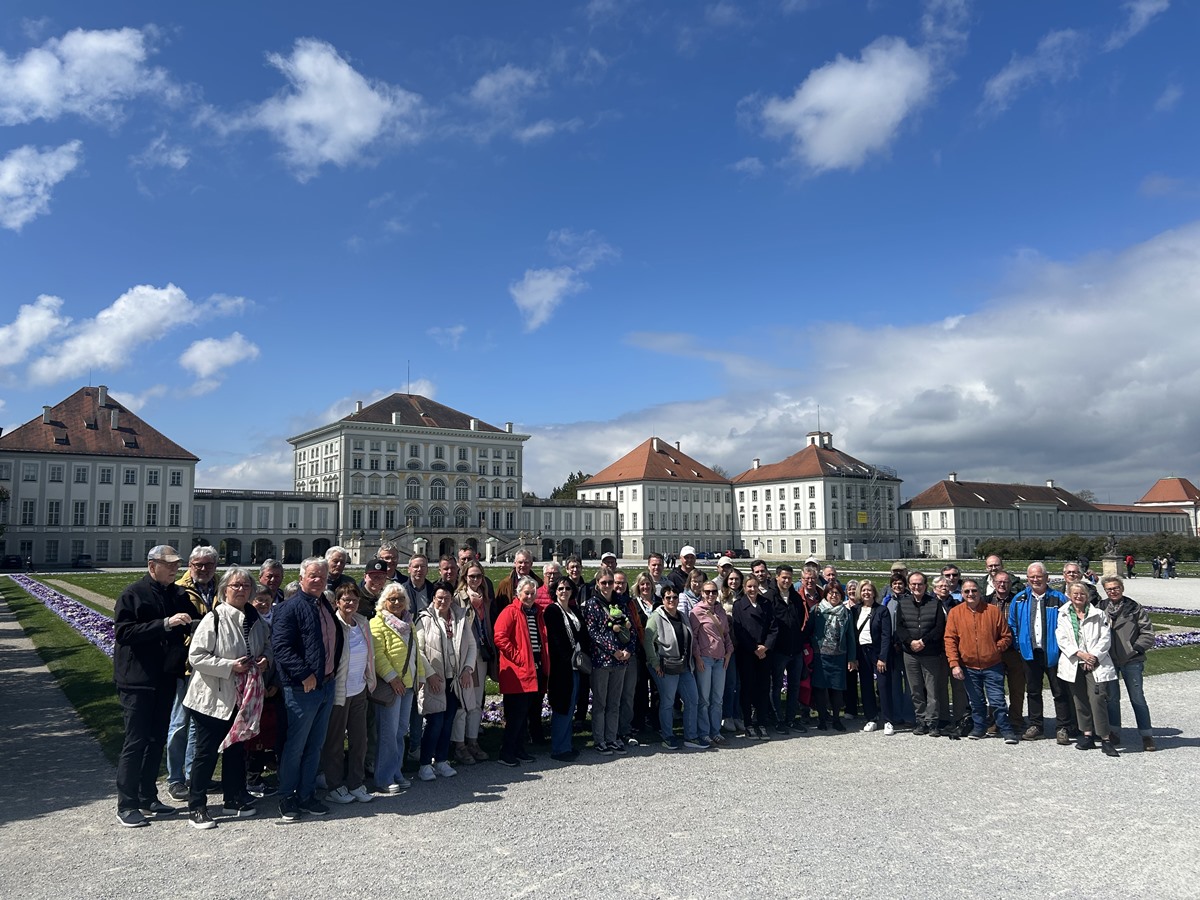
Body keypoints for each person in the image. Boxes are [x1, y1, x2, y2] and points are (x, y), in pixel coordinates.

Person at [183, 567, 272, 828]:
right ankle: (196, 804)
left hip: (241, 697)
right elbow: (196, 656)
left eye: (246, 586)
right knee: (206, 752)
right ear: (224, 590)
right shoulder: (214, 618)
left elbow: (266, 645)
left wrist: (266, 660)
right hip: (212, 698)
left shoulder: (255, 618)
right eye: (236, 586)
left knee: (235, 749)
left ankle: (234, 797)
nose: (242, 590)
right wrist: (229, 666)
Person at [113, 545, 195, 827]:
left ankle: (148, 795)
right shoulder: (133, 593)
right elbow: (124, 633)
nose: (175, 568)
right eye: (169, 563)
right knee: (135, 741)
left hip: (165, 675)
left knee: (157, 738)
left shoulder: (176, 594)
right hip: (137, 678)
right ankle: (127, 804)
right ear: (152, 566)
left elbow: (188, 623)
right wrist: (164, 623)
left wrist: (190, 623)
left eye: (177, 563)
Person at [271, 556, 343, 820]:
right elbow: (281, 648)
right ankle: (287, 797)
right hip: (303, 687)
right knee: (295, 746)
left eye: (322, 577)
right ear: (301, 577)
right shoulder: (289, 607)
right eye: (313, 575)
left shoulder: (323, 604)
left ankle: (307, 794)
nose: (318, 580)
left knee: (315, 745)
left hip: (325, 684)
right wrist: (304, 674)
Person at [166, 544, 220, 802]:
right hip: (186, 666)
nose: (203, 569)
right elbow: (175, 627)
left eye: (208, 564)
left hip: (213, 665)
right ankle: (175, 779)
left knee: (200, 725)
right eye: (198, 564)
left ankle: (194, 775)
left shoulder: (221, 587)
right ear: (190, 565)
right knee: (180, 723)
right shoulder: (178, 591)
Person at [415, 582, 478, 781]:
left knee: (448, 721)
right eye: (439, 598)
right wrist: (430, 674)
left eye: (447, 598)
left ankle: (441, 760)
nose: (443, 601)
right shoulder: (424, 618)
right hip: (436, 678)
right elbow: (419, 650)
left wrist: (468, 669)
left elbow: (471, 645)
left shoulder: (460, 617)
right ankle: (425, 763)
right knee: (435, 722)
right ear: (433, 598)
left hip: (455, 679)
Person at [320, 583, 376, 804]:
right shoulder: (333, 624)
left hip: (359, 689)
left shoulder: (362, 623)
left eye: (354, 599)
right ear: (337, 602)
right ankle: (335, 785)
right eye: (346, 600)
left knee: (359, 740)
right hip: (339, 691)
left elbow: (369, 653)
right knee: (334, 742)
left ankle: (356, 782)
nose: (350, 603)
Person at [943, 579, 1018, 744]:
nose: (971, 594)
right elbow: (950, 640)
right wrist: (954, 664)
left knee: (997, 699)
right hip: (968, 666)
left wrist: (995, 648)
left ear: (979, 592)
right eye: (967, 591)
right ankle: (979, 727)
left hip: (992, 665)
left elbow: (1006, 636)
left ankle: (1005, 729)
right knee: (976, 700)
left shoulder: (992, 611)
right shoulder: (955, 613)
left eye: (974, 591)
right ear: (962, 594)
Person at [1008, 562, 1074, 744]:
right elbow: (1012, 624)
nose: (1035, 580)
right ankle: (1036, 724)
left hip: (1053, 652)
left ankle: (1062, 727)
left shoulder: (1059, 598)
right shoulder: (1020, 599)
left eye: (1039, 576)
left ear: (1047, 578)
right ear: (1027, 579)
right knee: (1033, 690)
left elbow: (1069, 626)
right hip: (1029, 652)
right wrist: (1019, 645)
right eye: (1032, 577)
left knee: (1059, 691)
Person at [1056, 583, 1120, 757]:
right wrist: (1080, 655)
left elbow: (1105, 638)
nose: (1078, 597)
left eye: (1082, 594)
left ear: (1087, 596)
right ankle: (1087, 735)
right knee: (1080, 699)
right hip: (1074, 661)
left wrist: (1093, 657)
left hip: (1095, 662)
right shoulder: (1063, 614)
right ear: (1069, 595)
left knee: (1097, 699)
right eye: (1075, 593)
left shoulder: (1098, 614)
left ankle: (1105, 738)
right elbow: (1062, 638)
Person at [371, 583, 424, 793]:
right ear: (384, 601)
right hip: (391, 685)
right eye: (392, 599)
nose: (396, 603)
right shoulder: (377, 623)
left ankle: (396, 771)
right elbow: (378, 656)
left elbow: (416, 652)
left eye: (400, 599)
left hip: (408, 684)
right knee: (387, 733)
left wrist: (419, 676)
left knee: (400, 731)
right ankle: (383, 778)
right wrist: (392, 678)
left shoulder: (408, 622)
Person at [494, 576, 549, 767]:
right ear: (519, 593)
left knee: (524, 713)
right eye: (526, 593)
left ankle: (518, 749)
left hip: (534, 668)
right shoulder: (511, 611)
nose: (530, 596)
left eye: (533, 593)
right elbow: (500, 637)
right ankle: (506, 751)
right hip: (517, 671)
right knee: (516, 714)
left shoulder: (536, 612)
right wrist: (519, 657)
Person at [1099, 576, 1157, 751]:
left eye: (1115, 588)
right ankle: (1114, 732)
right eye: (1109, 589)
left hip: (1131, 659)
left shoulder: (1134, 607)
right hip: (1109, 659)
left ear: (1122, 588)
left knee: (1137, 698)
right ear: (1105, 591)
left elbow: (1147, 631)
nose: (1113, 591)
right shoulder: (1101, 607)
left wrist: (1137, 648)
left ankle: (1147, 735)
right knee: (1112, 699)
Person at [645, 585, 704, 749]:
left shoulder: (683, 616)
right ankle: (667, 735)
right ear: (662, 599)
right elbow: (648, 641)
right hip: (665, 665)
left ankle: (691, 736)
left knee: (693, 699)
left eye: (674, 597)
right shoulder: (656, 617)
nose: (672, 600)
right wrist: (655, 663)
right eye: (668, 597)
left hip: (684, 665)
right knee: (668, 701)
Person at [583, 569, 633, 754]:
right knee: (600, 703)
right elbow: (593, 633)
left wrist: (628, 650)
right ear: (597, 584)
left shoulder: (621, 602)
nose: (607, 586)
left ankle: (612, 737)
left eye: (610, 582)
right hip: (601, 660)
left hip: (621, 661)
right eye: (603, 582)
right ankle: (599, 739)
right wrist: (614, 651)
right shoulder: (592, 605)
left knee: (614, 702)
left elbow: (630, 629)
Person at [452, 563, 495, 764]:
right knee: (462, 702)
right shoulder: (457, 599)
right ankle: (459, 745)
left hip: (482, 655)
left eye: (478, 576)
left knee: (476, 702)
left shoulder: (485, 599)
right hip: (464, 656)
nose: (475, 580)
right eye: (471, 576)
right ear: (465, 577)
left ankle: (473, 742)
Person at [896, 571, 947, 737]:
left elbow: (939, 627)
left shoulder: (935, 603)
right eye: (913, 584)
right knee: (915, 689)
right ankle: (921, 720)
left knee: (932, 690)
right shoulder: (903, 604)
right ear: (909, 586)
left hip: (930, 652)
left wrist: (924, 641)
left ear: (925, 586)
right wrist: (910, 642)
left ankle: (933, 722)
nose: (916, 587)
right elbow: (900, 627)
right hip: (910, 653)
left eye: (920, 584)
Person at [544, 578, 587, 761]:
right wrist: (567, 657)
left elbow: (583, 634)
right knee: (562, 706)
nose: (564, 591)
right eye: (560, 588)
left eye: (568, 588)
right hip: (562, 667)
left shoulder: (574, 610)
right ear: (555, 591)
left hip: (576, 666)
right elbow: (555, 639)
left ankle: (566, 745)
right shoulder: (552, 611)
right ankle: (559, 749)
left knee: (571, 705)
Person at [809, 583, 857, 732]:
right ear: (826, 595)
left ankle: (836, 719)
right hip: (820, 655)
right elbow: (809, 631)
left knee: (837, 689)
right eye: (831, 593)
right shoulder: (817, 610)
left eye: (837, 593)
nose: (834, 596)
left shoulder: (846, 612)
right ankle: (822, 718)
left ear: (842, 595)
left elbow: (850, 637)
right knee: (820, 688)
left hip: (839, 655)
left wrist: (852, 658)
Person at [768, 564, 811, 734]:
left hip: (795, 649)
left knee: (794, 686)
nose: (786, 580)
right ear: (777, 577)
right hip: (778, 650)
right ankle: (778, 720)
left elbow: (800, 619)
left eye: (789, 578)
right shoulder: (769, 597)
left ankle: (791, 718)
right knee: (776, 686)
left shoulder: (795, 597)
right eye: (783, 577)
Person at [732, 574, 775, 740]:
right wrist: (753, 648)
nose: (752, 589)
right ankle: (748, 723)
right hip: (747, 653)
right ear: (744, 588)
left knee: (763, 688)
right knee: (748, 688)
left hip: (764, 653)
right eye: (749, 586)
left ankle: (761, 722)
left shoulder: (766, 603)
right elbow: (739, 630)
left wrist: (766, 646)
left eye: (754, 586)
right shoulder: (739, 605)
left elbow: (773, 627)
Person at [690, 580, 733, 745]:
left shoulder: (720, 610)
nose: (710, 595)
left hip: (720, 659)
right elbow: (693, 637)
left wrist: (729, 652)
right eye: (707, 592)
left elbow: (727, 634)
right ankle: (704, 731)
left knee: (717, 698)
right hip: (705, 659)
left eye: (714, 592)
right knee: (704, 699)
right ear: (702, 593)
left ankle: (715, 731)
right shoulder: (696, 612)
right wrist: (698, 657)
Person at [986, 570, 1026, 735]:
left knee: (1017, 688)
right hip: (994, 651)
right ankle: (996, 720)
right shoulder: (986, 602)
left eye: (1006, 582)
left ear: (1010, 584)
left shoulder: (1018, 600)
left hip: (1014, 651)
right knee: (995, 689)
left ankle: (1016, 719)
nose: (1002, 585)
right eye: (999, 582)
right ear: (994, 584)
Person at [854, 581, 893, 734]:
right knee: (866, 685)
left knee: (883, 686)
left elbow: (886, 636)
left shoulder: (881, 610)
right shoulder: (855, 610)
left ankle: (888, 719)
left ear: (874, 593)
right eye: (863, 590)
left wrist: (882, 657)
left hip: (877, 651)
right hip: (862, 652)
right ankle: (871, 718)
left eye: (869, 590)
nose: (866, 593)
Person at [718, 567, 744, 734]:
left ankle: (737, 715)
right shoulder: (721, 596)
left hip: (743, 643)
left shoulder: (744, 595)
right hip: (728, 644)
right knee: (731, 683)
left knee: (740, 683)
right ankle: (727, 715)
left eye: (736, 579)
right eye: (731, 579)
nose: (734, 582)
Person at [494, 549, 542, 619]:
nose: (523, 565)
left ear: (531, 564)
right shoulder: (505, 584)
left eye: (526, 562)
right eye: (520, 562)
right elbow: (497, 607)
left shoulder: (539, 582)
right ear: (515, 563)